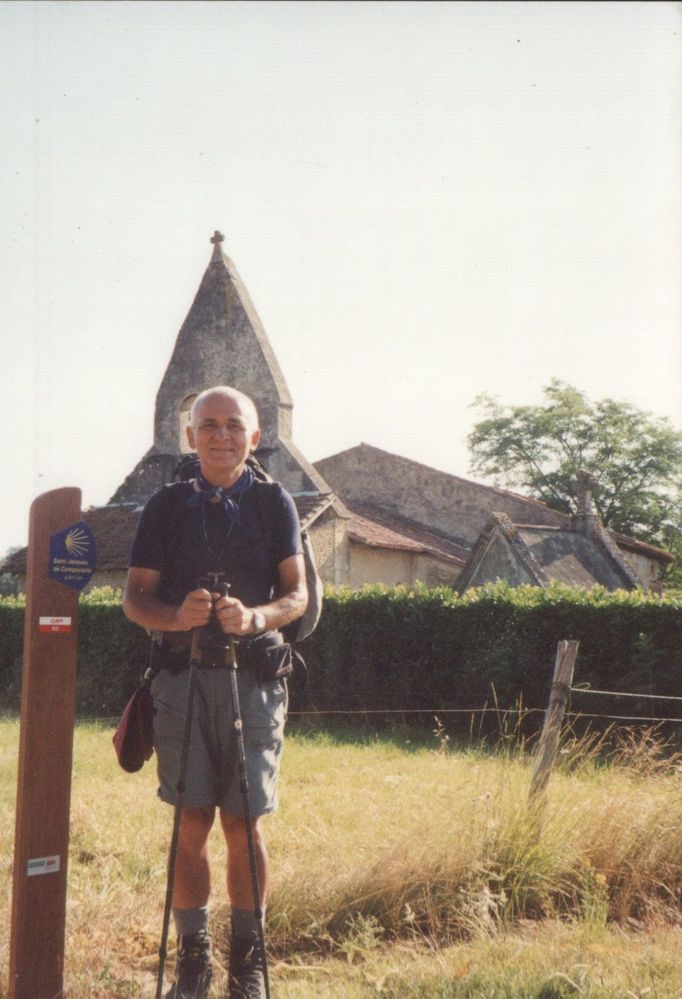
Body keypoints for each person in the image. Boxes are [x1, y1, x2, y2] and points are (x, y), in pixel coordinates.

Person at [123, 385, 307, 999]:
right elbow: (135, 598)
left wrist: (254, 617)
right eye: (208, 424)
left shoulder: (274, 502)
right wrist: (175, 617)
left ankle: (247, 968)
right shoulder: (164, 507)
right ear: (190, 436)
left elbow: (297, 595)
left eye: (234, 425)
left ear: (255, 437)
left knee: (244, 825)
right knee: (191, 822)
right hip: (182, 683)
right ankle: (194, 967)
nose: (221, 435)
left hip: (254, 682)